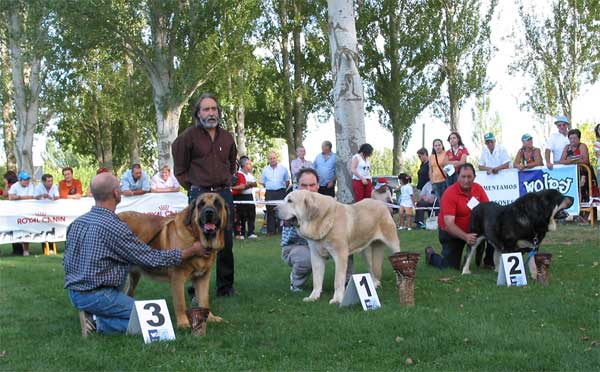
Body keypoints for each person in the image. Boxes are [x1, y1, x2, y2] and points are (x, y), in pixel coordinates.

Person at [63, 172, 206, 335]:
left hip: (74, 293)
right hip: (101, 295)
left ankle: (93, 314)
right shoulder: (115, 227)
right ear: (116, 194)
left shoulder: (77, 223)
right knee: (157, 322)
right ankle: (95, 323)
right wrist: (192, 250)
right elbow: (152, 259)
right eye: (119, 188)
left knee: (140, 317)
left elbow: (66, 262)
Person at [172, 92, 237, 297]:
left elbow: (232, 163)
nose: (211, 113)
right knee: (197, 240)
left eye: (214, 109)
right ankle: (195, 285)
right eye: (206, 109)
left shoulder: (227, 137)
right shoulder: (186, 138)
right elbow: (180, 169)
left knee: (225, 239)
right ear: (198, 113)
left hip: (223, 195)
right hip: (199, 195)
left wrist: (226, 180)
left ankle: (225, 287)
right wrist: (193, 188)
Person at [282, 168, 353, 291]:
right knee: (306, 258)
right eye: (304, 185)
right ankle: (296, 283)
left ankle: (347, 283)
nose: (308, 189)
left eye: (312, 185)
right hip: (296, 246)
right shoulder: (290, 201)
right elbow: (291, 229)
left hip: (322, 243)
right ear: (297, 186)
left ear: (318, 186)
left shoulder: (324, 201)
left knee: (345, 244)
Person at [425, 164, 490, 270]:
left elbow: (487, 211)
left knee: (494, 231)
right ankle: (431, 255)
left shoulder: (478, 189)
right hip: (451, 233)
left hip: (472, 230)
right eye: (463, 177)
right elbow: (449, 224)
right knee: (450, 267)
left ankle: (489, 263)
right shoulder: (450, 193)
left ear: (474, 177)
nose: (466, 180)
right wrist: (465, 237)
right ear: (457, 177)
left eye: (469, 177)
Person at [559, 128, 594, 207]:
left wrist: (569, 160)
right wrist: (576, 160)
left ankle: (587, 216)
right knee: (574, 193)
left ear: (579, 138)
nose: (572, 140)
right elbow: (561, 161)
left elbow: (585, 160)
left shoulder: (582, 146)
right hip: (572, 175)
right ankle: (576, 214)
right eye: (570, 138)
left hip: (583, 173)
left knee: (585, 193)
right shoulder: (567, 147)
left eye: (574, 138)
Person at [261, 151, 290, 235]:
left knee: (282, 211)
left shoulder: (283, 168)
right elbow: (263, 182)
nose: (272, 160)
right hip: (270, 193)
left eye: (274, 158)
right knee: (270, 212)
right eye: (271, 158)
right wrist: (271, 187)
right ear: (268, 160)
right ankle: (271, 231)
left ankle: (282, 230)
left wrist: (282, 188)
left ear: (277, 158)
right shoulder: (265, 170)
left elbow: (287, 181)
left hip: (281, 192)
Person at [8, 170, 35, 256]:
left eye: (27, 179)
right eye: (25, 179)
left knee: (26, 230)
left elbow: (31, 196)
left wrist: (18, 197)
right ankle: (17, 250)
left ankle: (26, 250)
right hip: (16, 212)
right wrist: (18, 197)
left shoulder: (30, 185)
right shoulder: (14, 186)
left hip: (28, 211)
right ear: (20, 180)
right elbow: (11, 197)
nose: (27, 181)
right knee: (15, 230)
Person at [232, 156, 258, 240]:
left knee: (251, 214)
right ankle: (241, 232)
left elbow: (254, 184)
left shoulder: (250, 175)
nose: (251, 165)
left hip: (249, 196)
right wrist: (247, 185)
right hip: (241, 197)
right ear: (244, 165)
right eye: (249, 164)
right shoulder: (239, 174)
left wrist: (248, 184)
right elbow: (242, 186)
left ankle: (251, 232)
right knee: (241, 215)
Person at [3, 171, 23, 255]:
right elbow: (5, 194)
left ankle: (18, 250)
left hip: (14, 211)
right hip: (13, 211)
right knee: (14, 229)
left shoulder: (14, 186)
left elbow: (6, 195)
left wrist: (6, 184)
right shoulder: (12, 185)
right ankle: (17, 250)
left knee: (15, 230)